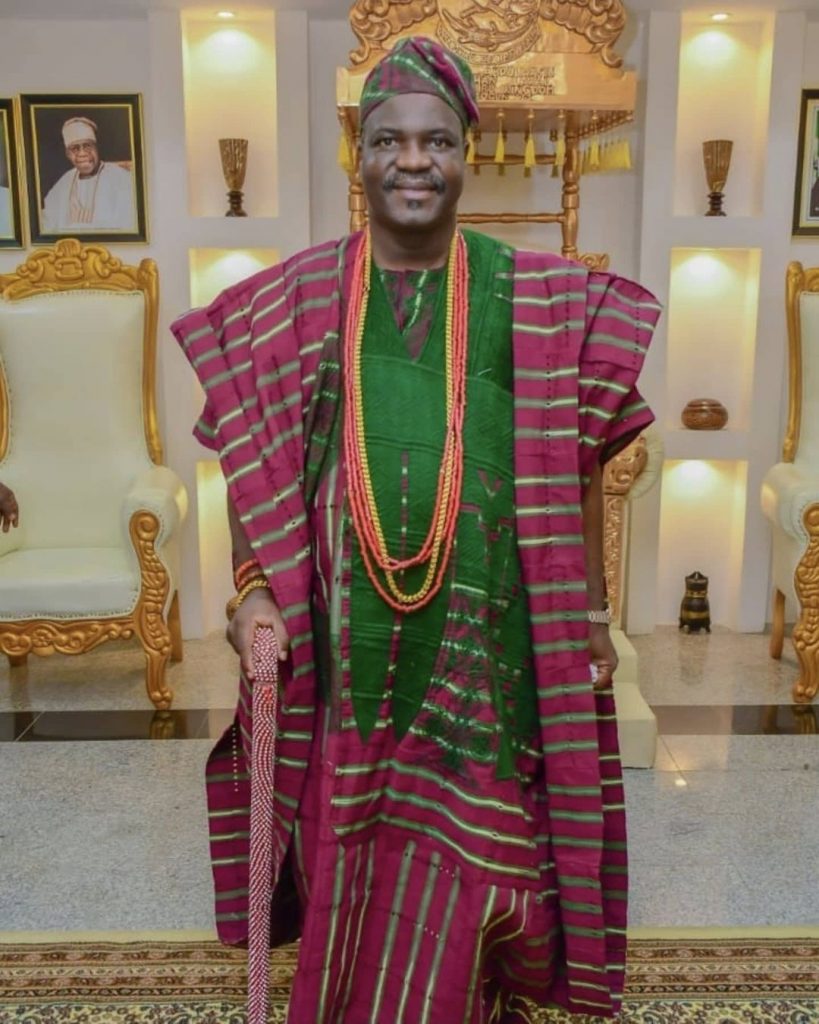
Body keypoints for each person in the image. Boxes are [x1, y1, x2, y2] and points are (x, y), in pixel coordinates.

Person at [173, 35, 661, 1022]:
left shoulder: (536, 296)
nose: (411, 161)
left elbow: (582, 462)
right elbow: (248, 452)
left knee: (485, 850)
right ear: (358, 154)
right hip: (343, 648)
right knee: (347, 838)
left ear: (464, 155)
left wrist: (591, 617)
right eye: (389, 140)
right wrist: (252, 588)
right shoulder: (297, 297)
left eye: (435, 141)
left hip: (489, 642)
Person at [41, 117, 135, 232]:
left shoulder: (121, 179)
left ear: (96, 147)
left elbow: (128, 224)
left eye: (87, 146)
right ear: (68, 154)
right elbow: (47, 221)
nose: (82, 153)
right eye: (75, 148)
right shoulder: (64, 183)